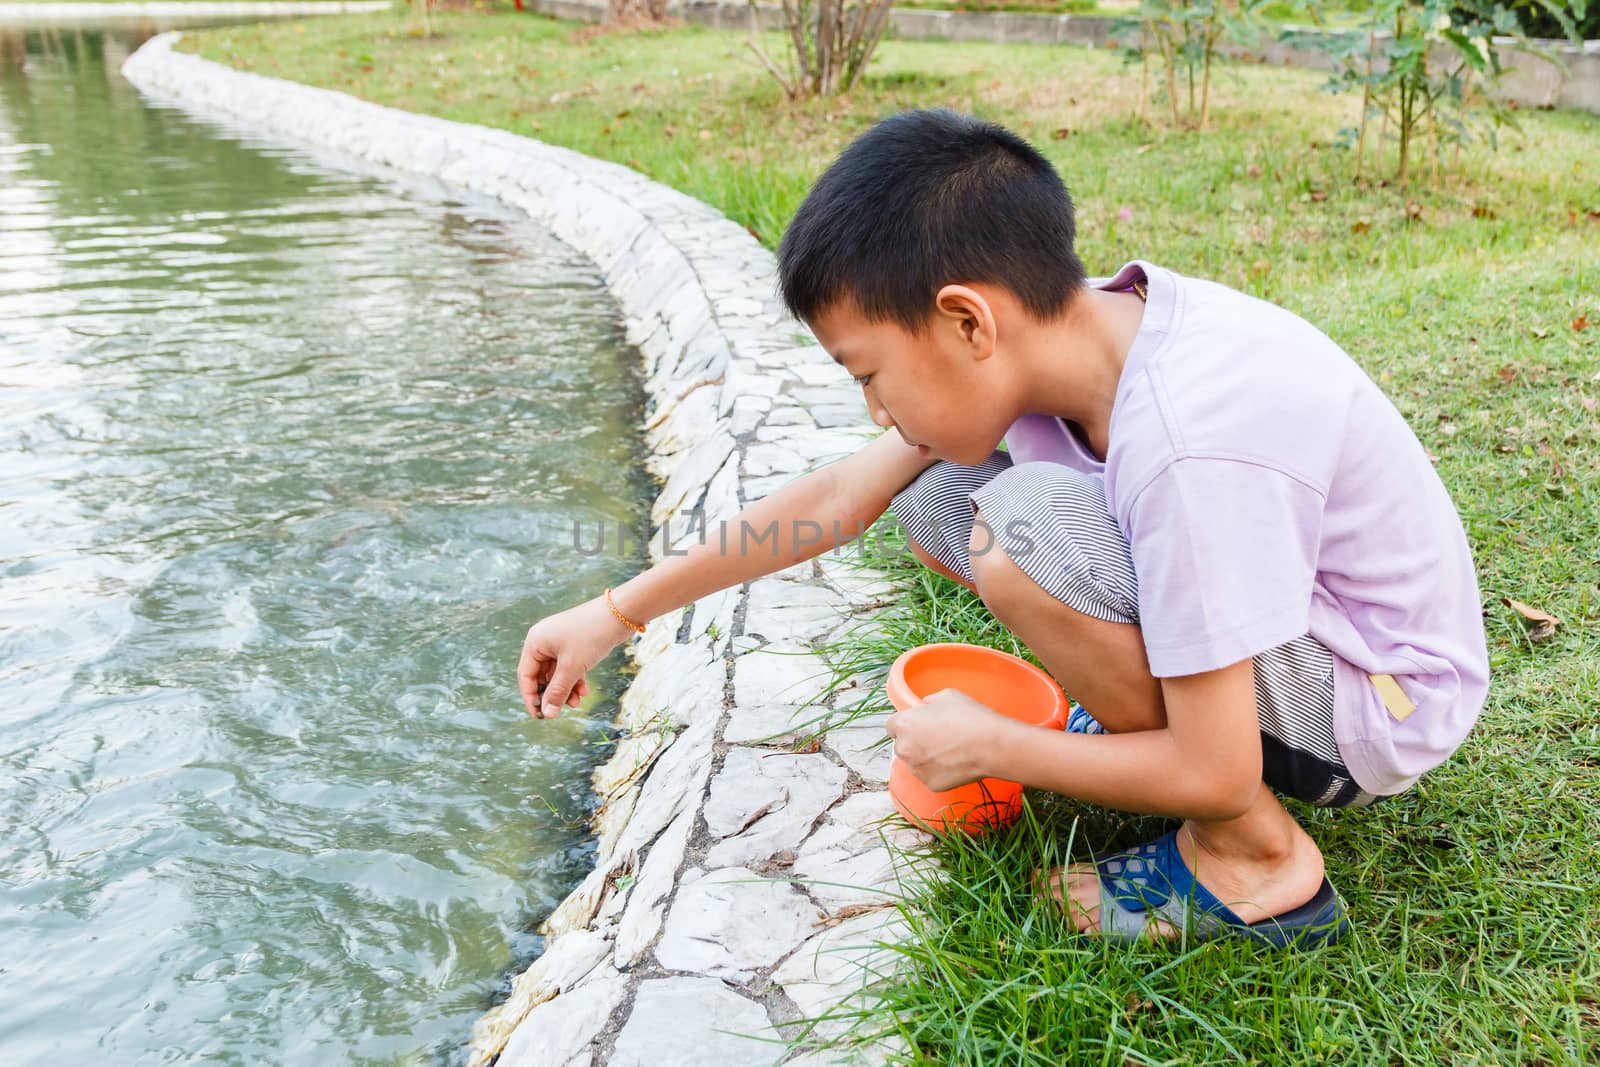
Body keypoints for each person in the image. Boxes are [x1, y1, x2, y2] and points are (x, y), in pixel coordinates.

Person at [517, 108, 1489, 946]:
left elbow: (1215, 763)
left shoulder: (1189, 443)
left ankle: (1257, 860)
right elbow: (836, 498)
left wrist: (994, 746)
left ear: (964, 322)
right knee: (937, 492)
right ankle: (1136, 719)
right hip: (1295, 636)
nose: (873, 409)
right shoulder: (1066, 336)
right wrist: (615, 612)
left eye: (868, 374)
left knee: (1019, 529)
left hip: (1369, 705)